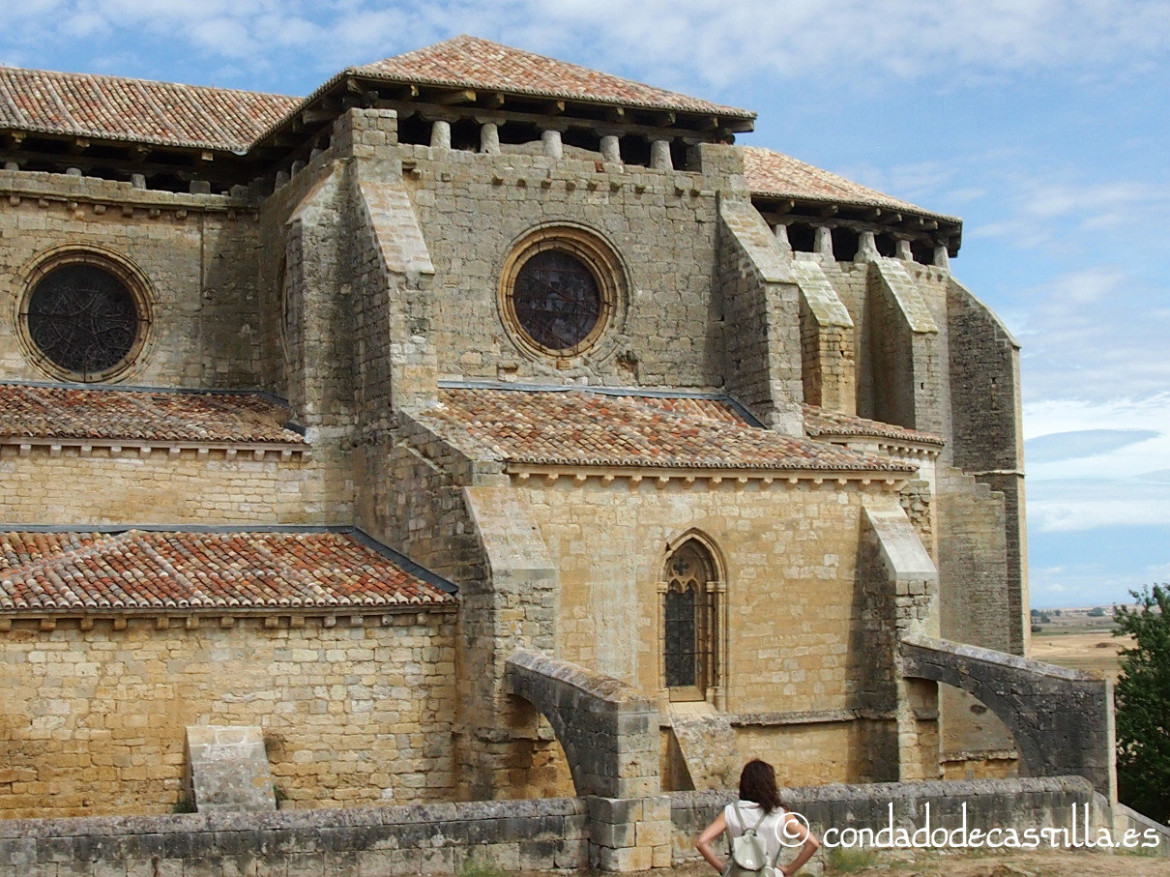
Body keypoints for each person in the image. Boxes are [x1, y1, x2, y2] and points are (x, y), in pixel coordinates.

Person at [696, 759, 821, 876]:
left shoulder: (731, 811)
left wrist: (723, 869)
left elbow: (702, 843)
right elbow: (812, 843)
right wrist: (789, 870)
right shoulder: (780, 813)